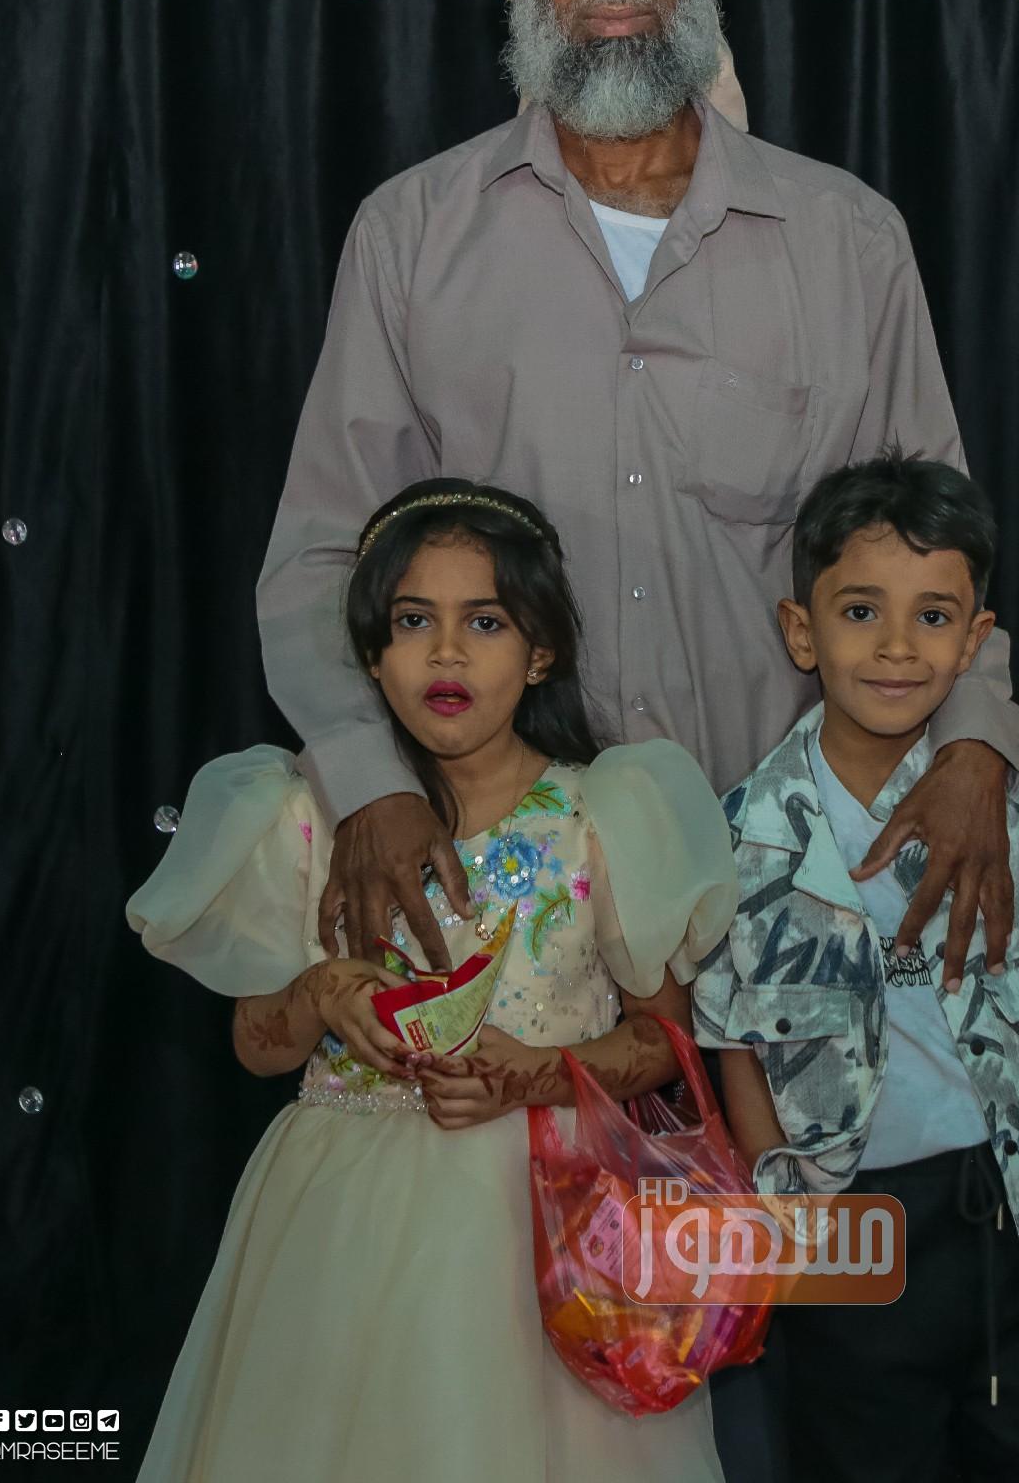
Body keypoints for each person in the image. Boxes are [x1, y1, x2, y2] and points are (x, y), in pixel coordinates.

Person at [257, 0, 1019, 1004]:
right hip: (506, 905)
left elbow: (937, 549)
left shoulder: (844, 240)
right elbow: (320, 557)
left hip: (789, 889)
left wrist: (977, 746)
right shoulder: (411, 238)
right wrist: (370, 783)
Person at [127, 481, 737, 1482]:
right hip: (338, 1219)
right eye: (413, 622)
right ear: (371, 655)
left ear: (539, 652)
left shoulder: (600, 813)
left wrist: (538, 1074)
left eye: (484, 623)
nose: (446, 653)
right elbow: (256, 1046)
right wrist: (321, 994)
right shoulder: (307, 816)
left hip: (542, 1221)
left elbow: (663, 1041)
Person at [692, 452, 1019, 1483]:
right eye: (860, 611)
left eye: (932, 617)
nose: (896, 646)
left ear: (972, 641)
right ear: (800, 630)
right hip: (850, 1231)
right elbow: (734, 1045)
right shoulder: (741, 838)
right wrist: (785, 1222)